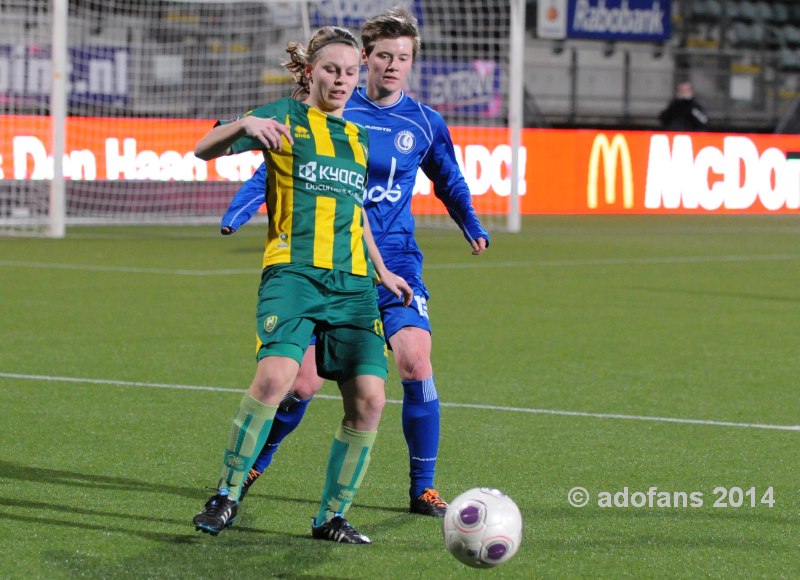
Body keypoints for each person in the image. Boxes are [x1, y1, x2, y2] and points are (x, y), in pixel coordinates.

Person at [219, 7, 490, 518]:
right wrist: (243, 204)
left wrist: (470, 223)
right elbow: (276, 166)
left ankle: (423, 488)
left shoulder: (425, 123)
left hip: (397, 263)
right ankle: (256, 463)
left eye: (403, 57)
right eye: (384, 55)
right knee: (301, 383)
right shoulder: (334, 112)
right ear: (365, 58)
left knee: (415, 359)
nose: (393, 65)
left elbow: (449, 179)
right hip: (335, 260)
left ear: (412, 62)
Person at [191, 25, 413, 544]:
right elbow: (203, 149)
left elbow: (355, 214)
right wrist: (246, 122)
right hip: (293, 274)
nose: (341, 80)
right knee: (276, 379)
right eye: (331, 70)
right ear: (309, 71)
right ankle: (226, 495)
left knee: (370, 400)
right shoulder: (282, 118)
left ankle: (331, 517)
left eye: (350, 72)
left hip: (354, 283)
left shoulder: (358, 138)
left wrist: (382, 271)